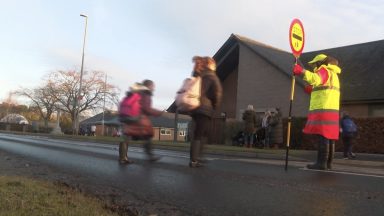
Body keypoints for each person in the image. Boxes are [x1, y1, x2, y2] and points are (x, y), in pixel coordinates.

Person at [293, 54, 341, 170]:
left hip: (323, 109)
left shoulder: (324, 70)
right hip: (332, 110)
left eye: (315, 64)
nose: (314, 66)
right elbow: (324, 89)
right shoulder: (333, 74)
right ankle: (328, 163)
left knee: (322, 136)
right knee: (329, 137)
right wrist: (312, 89)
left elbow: (316, 79)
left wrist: (301, 71)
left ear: (320, 63)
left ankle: (321, 163)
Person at [118, 80, 163, 164]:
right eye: (153, 86)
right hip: (139, 119)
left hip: (127, 116)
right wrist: (159, 113)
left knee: (125, 137)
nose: (154, 88)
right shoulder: (146, 93)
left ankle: (122, 158)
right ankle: (150, 156)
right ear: (149, 86)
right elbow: (146, 109)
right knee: (147, 136)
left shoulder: (135, 92)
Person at [189, 56, 223, 168]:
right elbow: (217, 93)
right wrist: (215, 106)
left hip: (195, 107)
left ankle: (197, 157)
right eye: (214, 63)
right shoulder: (212, 76)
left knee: (200, 133)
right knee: (200, 134)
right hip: (205, 109)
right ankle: (195, 160)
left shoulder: (198, 74)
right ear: (211, 65)